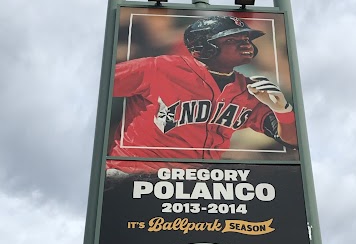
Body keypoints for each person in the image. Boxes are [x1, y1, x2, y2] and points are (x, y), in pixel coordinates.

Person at [107, 15, 297, 175]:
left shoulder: (246, 90)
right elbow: (103, 83)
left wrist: (283, 110)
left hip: (185, 185)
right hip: (130, 174)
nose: (245, 45)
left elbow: (291, 139)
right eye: (233, 40)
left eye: (245, 39)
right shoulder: (161, 68)